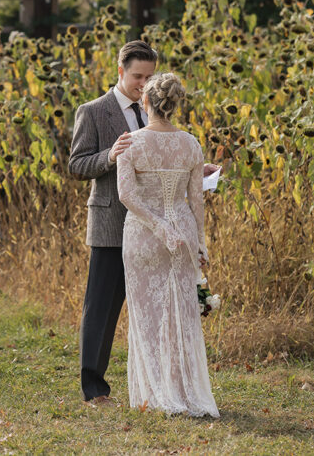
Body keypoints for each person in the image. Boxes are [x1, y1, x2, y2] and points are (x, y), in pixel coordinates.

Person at [68, 41, 216, 404]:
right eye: (137, 76)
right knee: (101, 307)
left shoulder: (155, 111)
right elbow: (75, 165)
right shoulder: (93, 111)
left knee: (158, 307)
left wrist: (198, 174)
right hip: (110, 224)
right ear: (120, 72)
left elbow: (162, 156)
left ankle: (162, 384)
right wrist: (109, 155)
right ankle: (94, 388)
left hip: (156, 231)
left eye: (150, 77)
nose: (143, 84)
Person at [116, 72, 218, 417]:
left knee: (147, 314)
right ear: (174, 105)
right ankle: (184, 391)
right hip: (183, 230)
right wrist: (200, 242)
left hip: (144, 234)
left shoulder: (131, 142)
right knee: (181, 317)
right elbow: (196, 200)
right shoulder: (191, 144)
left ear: (146, 101)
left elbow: (126, 195)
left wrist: (158, 225)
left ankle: (156, 392)